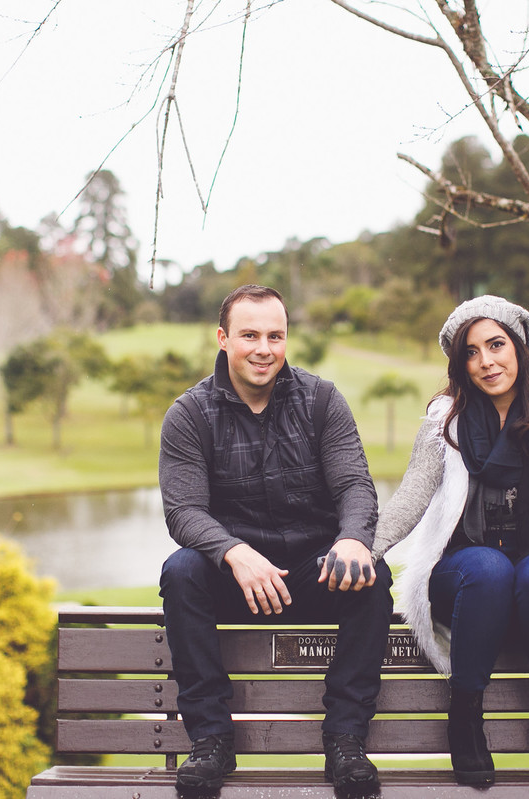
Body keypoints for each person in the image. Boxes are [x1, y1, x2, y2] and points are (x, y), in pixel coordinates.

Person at [371, 295, 529, 786]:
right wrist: (365, 547)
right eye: (471, 352)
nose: (486, 362)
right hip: (464, 578)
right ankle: (465, 718)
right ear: (460, 364)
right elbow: (413, 495)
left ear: (519, 348)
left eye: (496, 345)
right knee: (488, 567)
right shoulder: (448, 419)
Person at [158, 285, 393, 793]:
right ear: (223, 339)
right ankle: (211, 743)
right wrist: (233, 552)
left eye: (275, 335)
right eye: (249, 335)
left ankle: (346, 742)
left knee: (372, 575)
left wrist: (353, 539)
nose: (263, 348)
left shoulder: (322, 399)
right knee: (181, 571)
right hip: (236, 579)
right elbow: (183, 511)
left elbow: (355, 484)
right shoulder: (189, 414)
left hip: (313, 571)